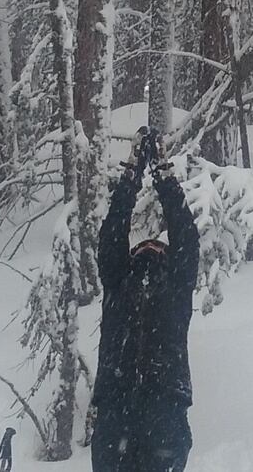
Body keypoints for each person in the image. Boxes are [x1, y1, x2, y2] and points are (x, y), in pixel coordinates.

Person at [92, 127, 199, 472]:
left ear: (167, 258)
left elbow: (185, 236)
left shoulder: (177, 286)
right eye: (143, 245)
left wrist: (165, 178)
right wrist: (130, 178)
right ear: (133, 255)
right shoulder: (118, 282)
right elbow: (112, 234)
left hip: (163, 407)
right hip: (117, 408)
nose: (150, 245)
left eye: (158, 245)